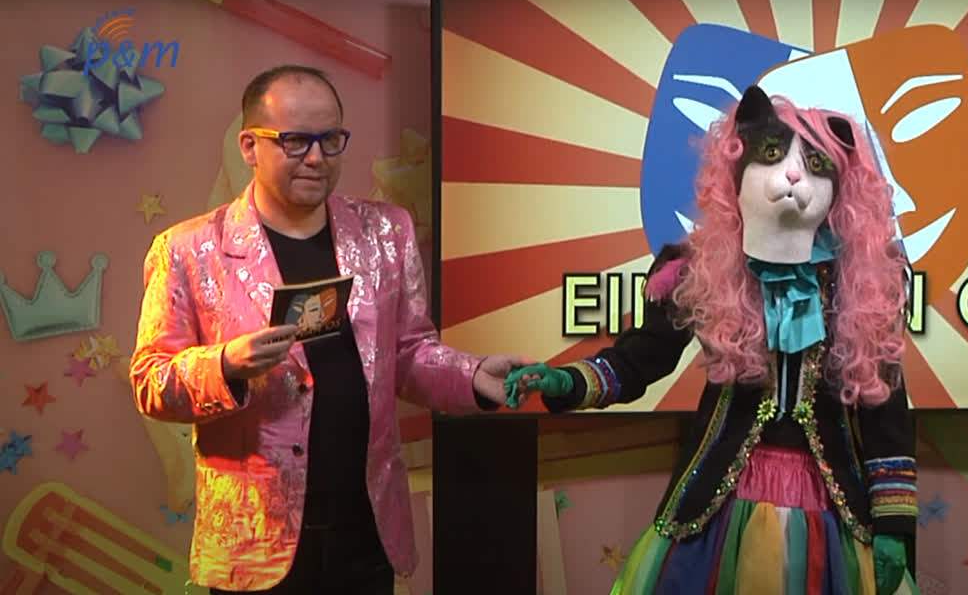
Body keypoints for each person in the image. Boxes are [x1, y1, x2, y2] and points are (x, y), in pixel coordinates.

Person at [507, 85, 920, 595]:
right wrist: (566, 381)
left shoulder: (863, 287)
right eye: (774, 154)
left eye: (817, 165)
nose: (795, 174)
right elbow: (640, 359)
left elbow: (884, 406)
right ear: (736, 169)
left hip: (833, 507)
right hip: (717, 504)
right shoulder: (696, 270)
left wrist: (894, 524)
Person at [129, 65, 526, 594]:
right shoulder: (187, 250)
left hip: (366, 531)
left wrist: (472, 376)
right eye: (295, 141)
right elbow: (151, 380)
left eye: (330, 139)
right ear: (249, 146)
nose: (316, 157)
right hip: (255, 544)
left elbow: (408, 352)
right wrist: (226, 366)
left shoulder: (387, 231)